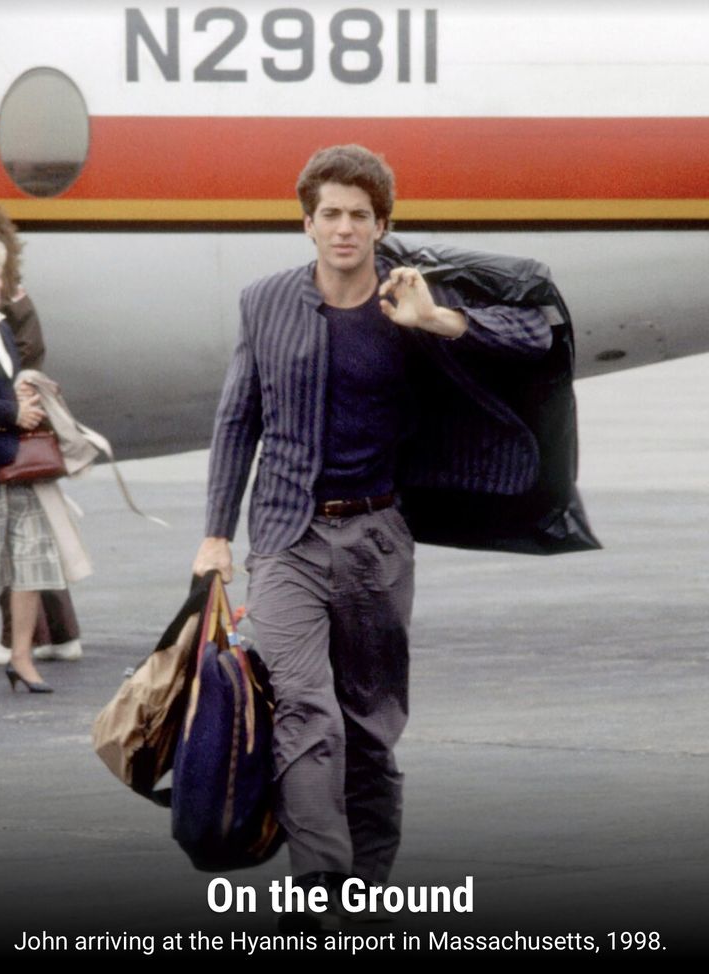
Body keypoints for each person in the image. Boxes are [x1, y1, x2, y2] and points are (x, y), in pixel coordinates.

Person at [192, 145, 554, 919]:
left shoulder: (411, 300)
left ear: (382, 224)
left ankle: (366, 886)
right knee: (304, 707)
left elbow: (537, 338)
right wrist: (215, 533)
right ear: (308, 223)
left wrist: (438, 320)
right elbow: (237, 420)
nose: (345, 228)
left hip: (378, 538)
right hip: (287, 537)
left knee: (369, 722)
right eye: (330, 214)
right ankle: (320, 884)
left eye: (360, 215)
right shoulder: (264, 302)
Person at [0, 188, 82, 665]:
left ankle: (29, 638)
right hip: (8, 420)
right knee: (30, 539)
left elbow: (20, 346)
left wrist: (10, 397)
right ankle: (52, 633)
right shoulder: (7, 286)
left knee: (1, 544)